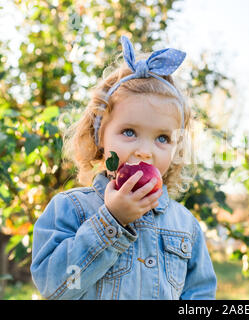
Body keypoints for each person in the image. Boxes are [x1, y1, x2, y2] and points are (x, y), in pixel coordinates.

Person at [30, 36, 217, 300]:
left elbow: (200, 295)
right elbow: (54, 286)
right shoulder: (70, 209)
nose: (145, 150)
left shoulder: (186, 226)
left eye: (162, 138)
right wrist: (111, 221)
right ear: (100, 137)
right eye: (129, 132)